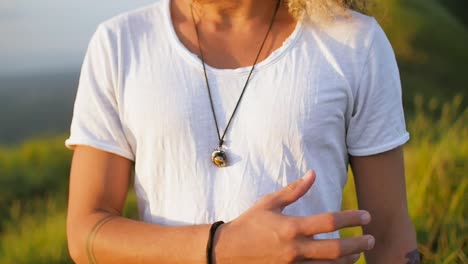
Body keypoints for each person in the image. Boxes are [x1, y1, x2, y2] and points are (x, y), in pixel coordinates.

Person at [65, 0, 419, 263]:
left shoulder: (354, 42)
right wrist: (221, 246)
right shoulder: (119, 44)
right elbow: (85, 233)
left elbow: (388, 233)